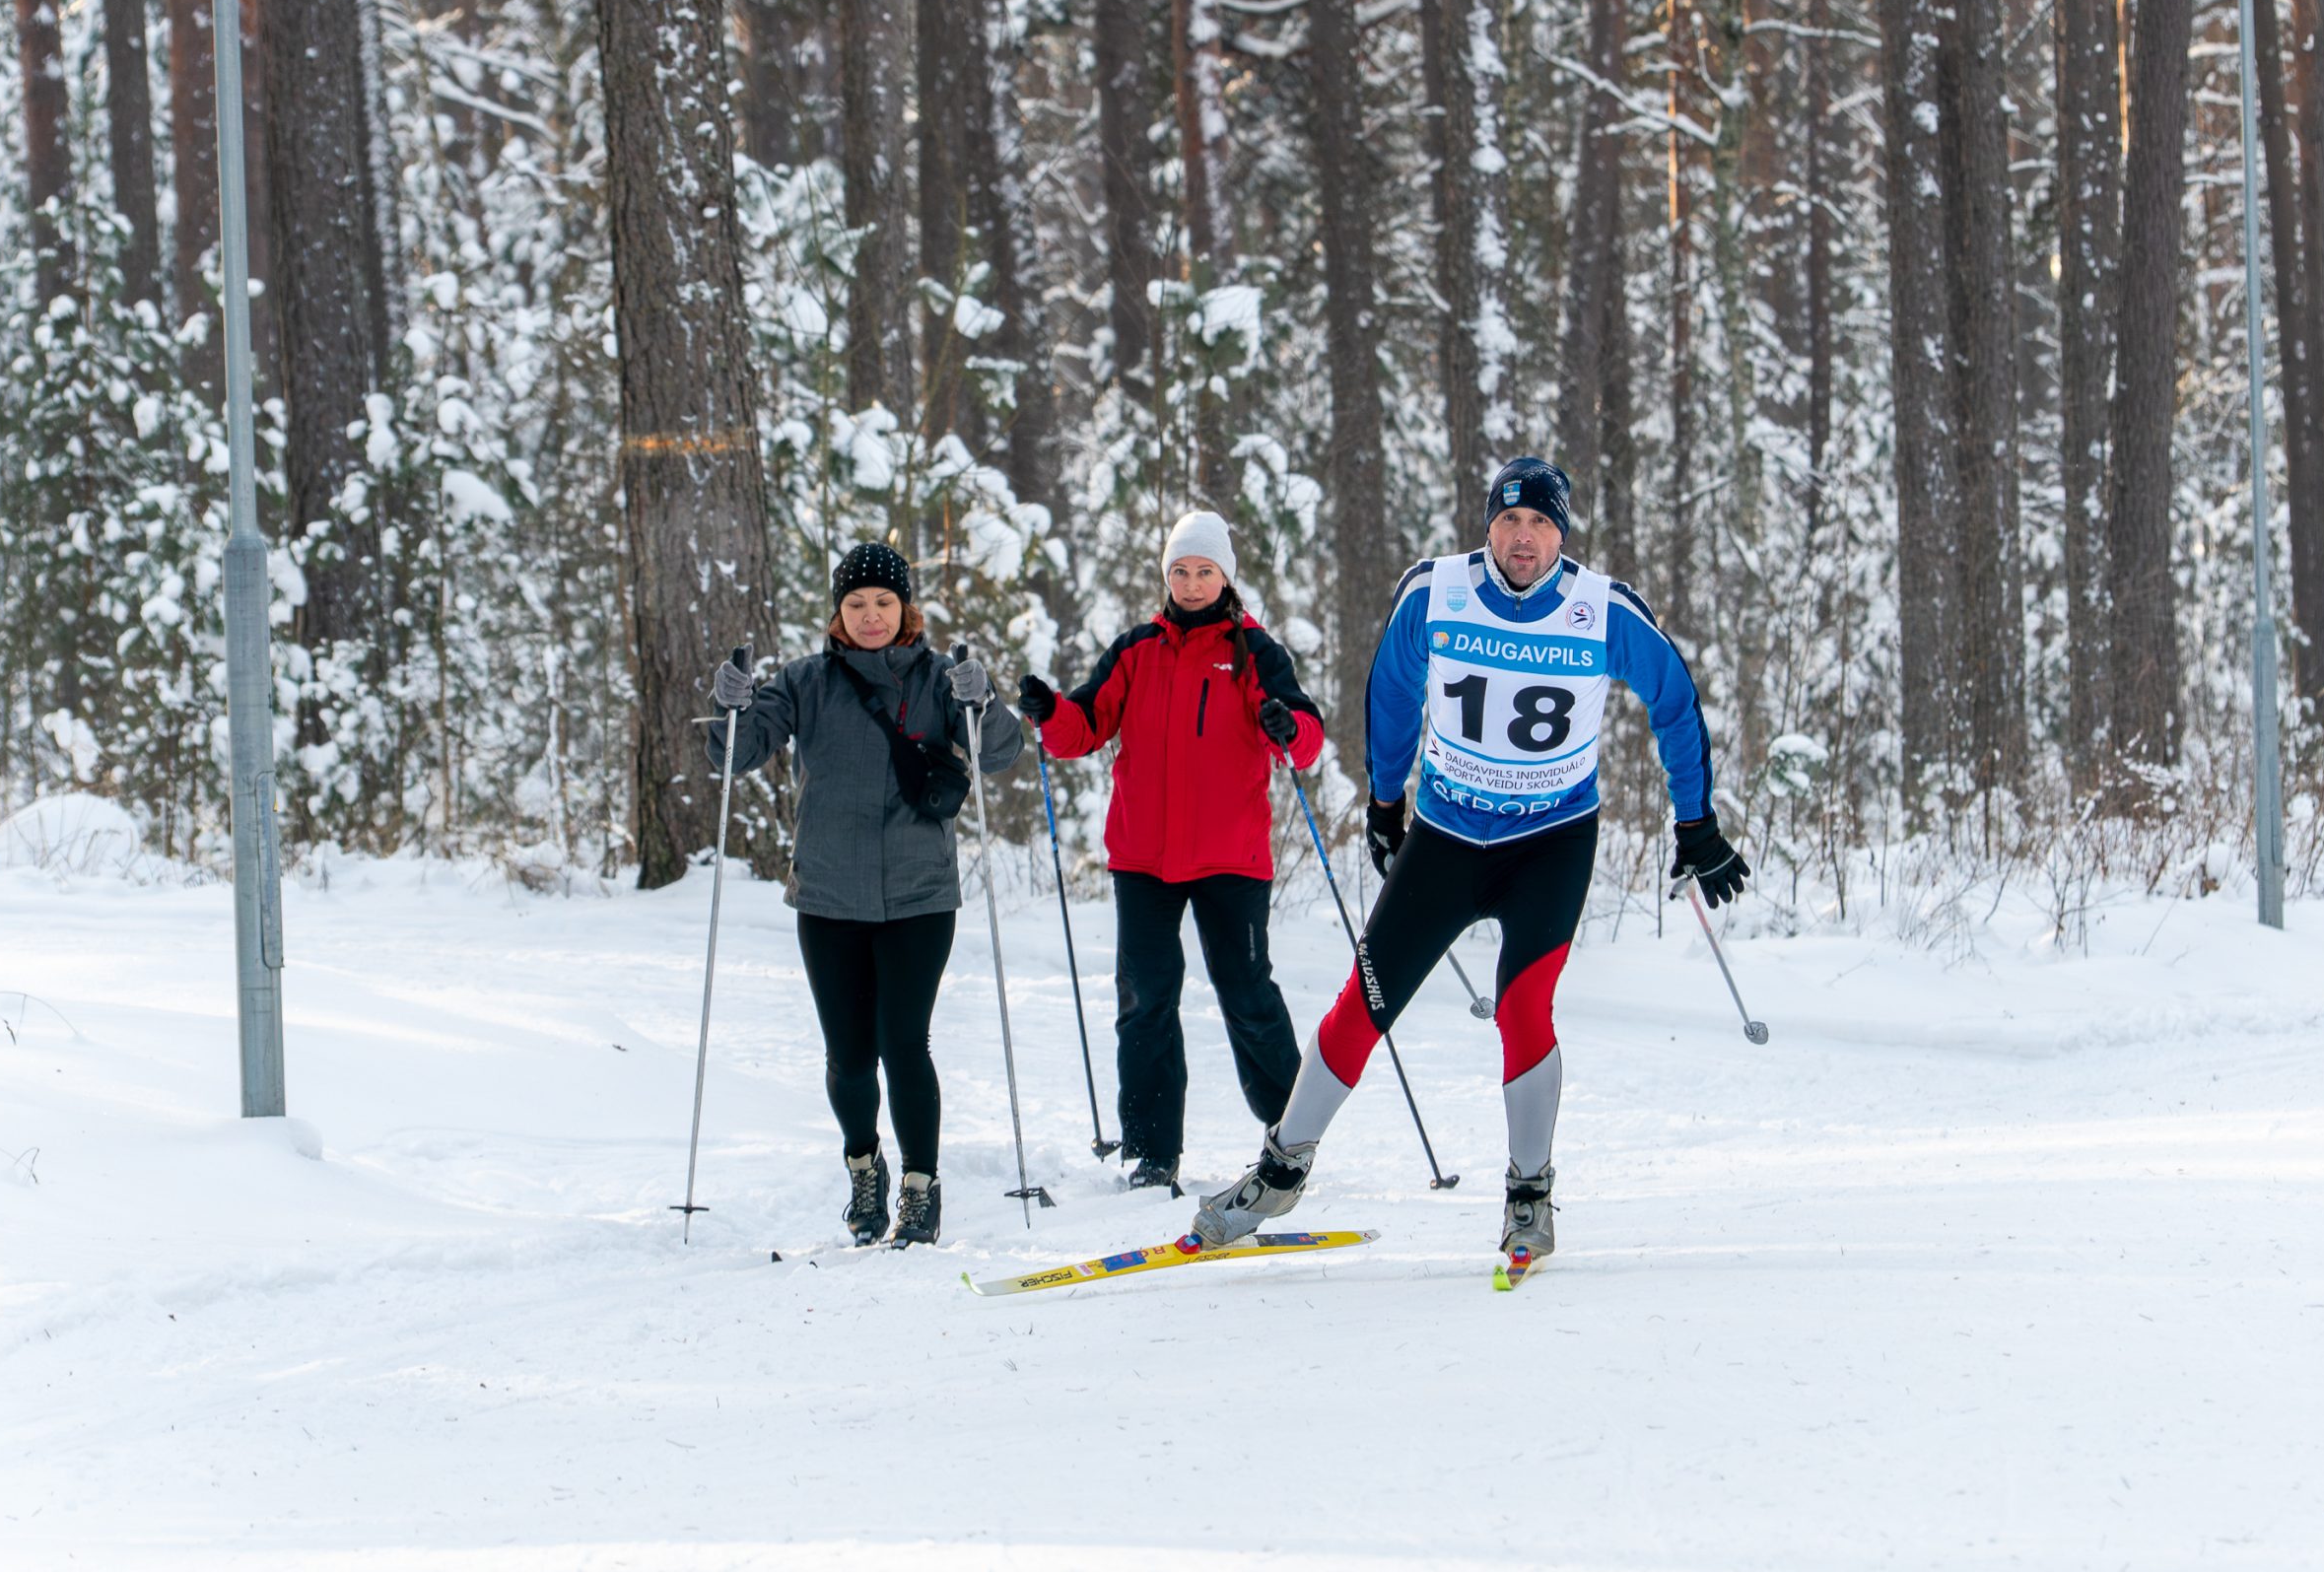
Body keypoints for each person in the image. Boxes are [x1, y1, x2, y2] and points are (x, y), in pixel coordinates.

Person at [1189, 458, 1747, 1266]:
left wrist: (1695, 821)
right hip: (1448, 836)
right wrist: (1386, 803)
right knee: (1364, 1001)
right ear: (1488, 526)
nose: (1524, 538)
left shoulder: (1600, 609)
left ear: (1562, 533)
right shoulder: (1436, 592)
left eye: (1542, 524)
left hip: (1550, 841)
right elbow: (1391, 691)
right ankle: (1280, 1168)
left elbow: (1675, 700)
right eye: (1510, 522)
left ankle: (1529, 1191)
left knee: (1524, 1012)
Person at [708, 542, 1023, 1248]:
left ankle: (920, 1185)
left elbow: (1001, 751)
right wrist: (730, 707)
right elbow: (737, 751)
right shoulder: (804, 681)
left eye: (884, 602)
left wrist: (984, 700)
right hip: (828, 896)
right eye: (856, 604)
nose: (871, 616)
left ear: (906, 608)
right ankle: (864, 1167)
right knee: (849, 1054)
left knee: (904, 1043)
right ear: (838, 614)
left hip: (919, 895)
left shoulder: (943, 678)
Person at [1015, 511, 1326, 1194]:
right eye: (1180, 570)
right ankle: (1151, 1154)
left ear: (1225, 576)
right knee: (1146, 1000)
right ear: (1167, 575)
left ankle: (1293, 1136)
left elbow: (1305, 739)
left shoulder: (1253, 651)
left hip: (1230, 858)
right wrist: (1049, 711)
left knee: (1247, 993)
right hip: (1144, 860)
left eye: (1204, 570)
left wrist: (1286, 724)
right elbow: (1085, 725)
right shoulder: (1136, 650)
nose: (1191, 583)